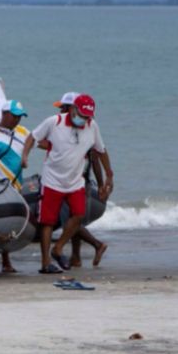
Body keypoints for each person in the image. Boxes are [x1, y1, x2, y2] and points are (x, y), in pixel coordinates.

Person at [22, 94, 114, 274]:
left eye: (88, 117)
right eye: (82, 115)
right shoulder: (54, 122)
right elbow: (32, 137)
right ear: (72, 109)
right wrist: (25, 156)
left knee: (78, 215)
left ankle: (58, 249)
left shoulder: (92, 127)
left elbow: (101, 151)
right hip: (52, 181)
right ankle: (45, 263)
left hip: (75, 182)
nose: (84, 120)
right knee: (47, 222)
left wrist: (109, 176)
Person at [47, 92, 109, 267]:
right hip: (75, 181)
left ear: (70, 108)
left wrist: (103, 183)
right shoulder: (67, 127)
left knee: (71, 221)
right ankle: (76, 256)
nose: (60, 111)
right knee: (75, 219)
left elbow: (96, 157)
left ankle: (97, 244)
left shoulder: (86, 129)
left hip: (77, 182)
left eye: (62, 108)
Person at [0, 100, 29, 273]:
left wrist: (25, 156)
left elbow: (37, 142)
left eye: (20, 117)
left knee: (11, 227)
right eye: (14, 116)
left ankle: (6, 261)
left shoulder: (22, 132)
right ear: (5, 114)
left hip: (17, 186)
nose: (17, 120)